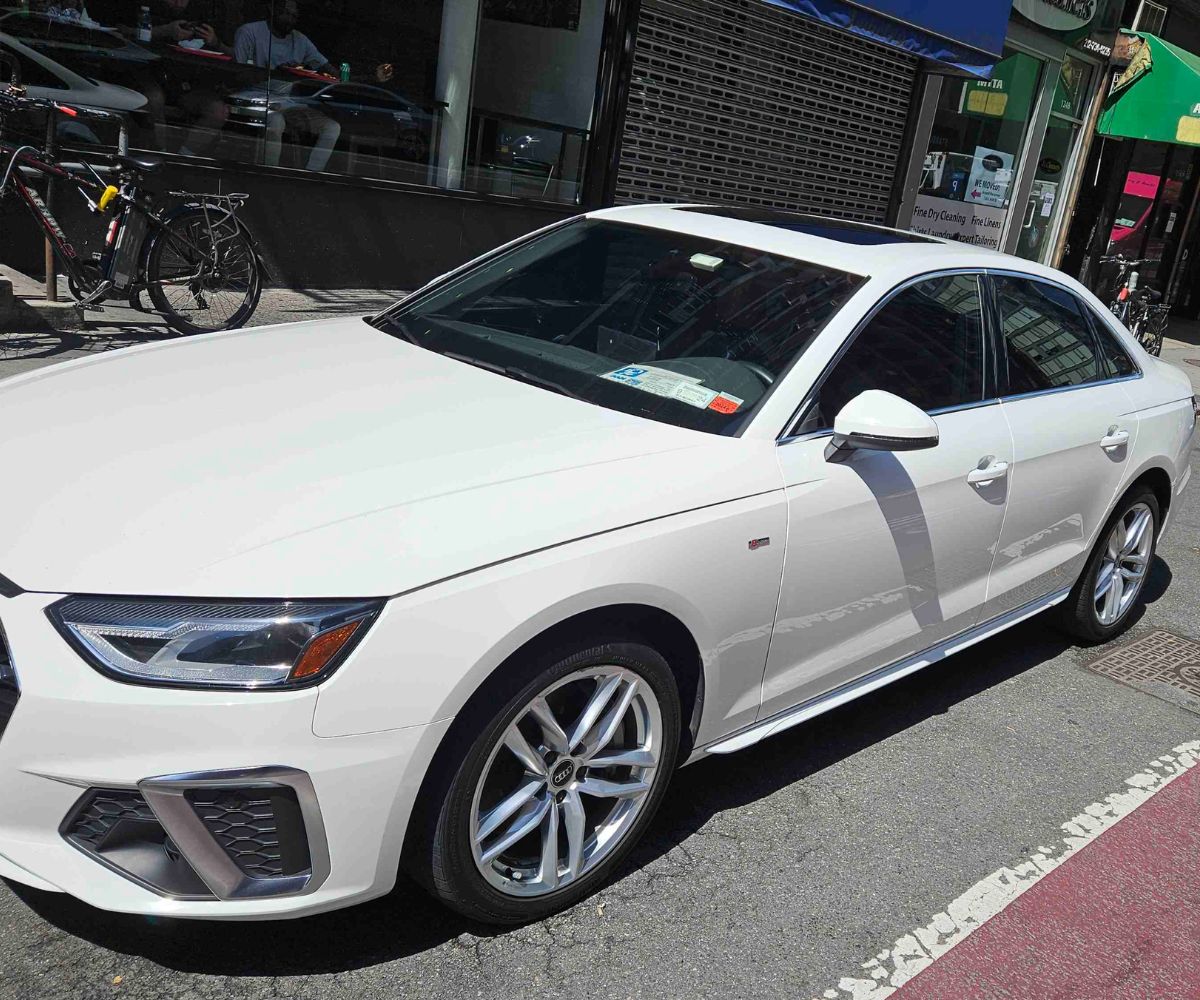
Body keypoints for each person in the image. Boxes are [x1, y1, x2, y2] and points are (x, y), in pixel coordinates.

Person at [233, 0, 392, 172]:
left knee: (331, 127)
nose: (290, 19)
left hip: (288, 102)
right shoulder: (249, 31)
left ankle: (311, 175)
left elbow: (335, 74)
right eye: (286, 13)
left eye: (294, 16)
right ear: (272, 10)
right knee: (275, 121)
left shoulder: (300, 40)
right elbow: (239, 75)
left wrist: (372, 77)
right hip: (253, 97)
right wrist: (278, 72)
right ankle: (271, 174)